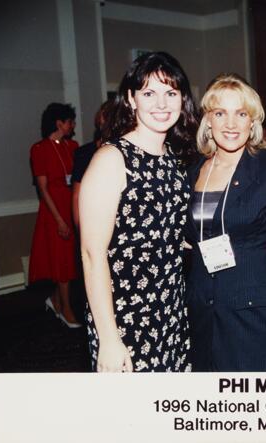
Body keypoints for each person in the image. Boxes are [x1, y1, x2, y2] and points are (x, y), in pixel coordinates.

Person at [79, 52, 198, 372]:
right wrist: (108, 338)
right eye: (149, 93)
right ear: (131, 99)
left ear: (182, 99)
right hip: (124, 318)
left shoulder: (174, 159)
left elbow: (174, 236)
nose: (161, 104)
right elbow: (92, 255)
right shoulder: (111, 159)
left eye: (170, 93)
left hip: (171, 311)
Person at [186, 73, 266, 371]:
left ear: (252, 122)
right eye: (220, 113)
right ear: (208, 121)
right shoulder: (194, 170)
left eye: (241, 114)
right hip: (203, 311)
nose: (230, 123)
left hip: (256, 315)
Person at [29, 103, 80, 327]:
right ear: (59, 123)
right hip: (54, 211)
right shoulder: (39, 149)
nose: (73, 125)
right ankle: (65, 309)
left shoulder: (73, 146)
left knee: (69, 261)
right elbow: (43, 188)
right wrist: (59, 219)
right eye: (70, 121)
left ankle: (55, 301)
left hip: (71, 205)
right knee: (61, 262)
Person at [71, 100, 112, 229]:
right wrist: (80, 228)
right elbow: (77, 195)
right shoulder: (85, 153)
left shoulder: (127, 152)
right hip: (94, 219)